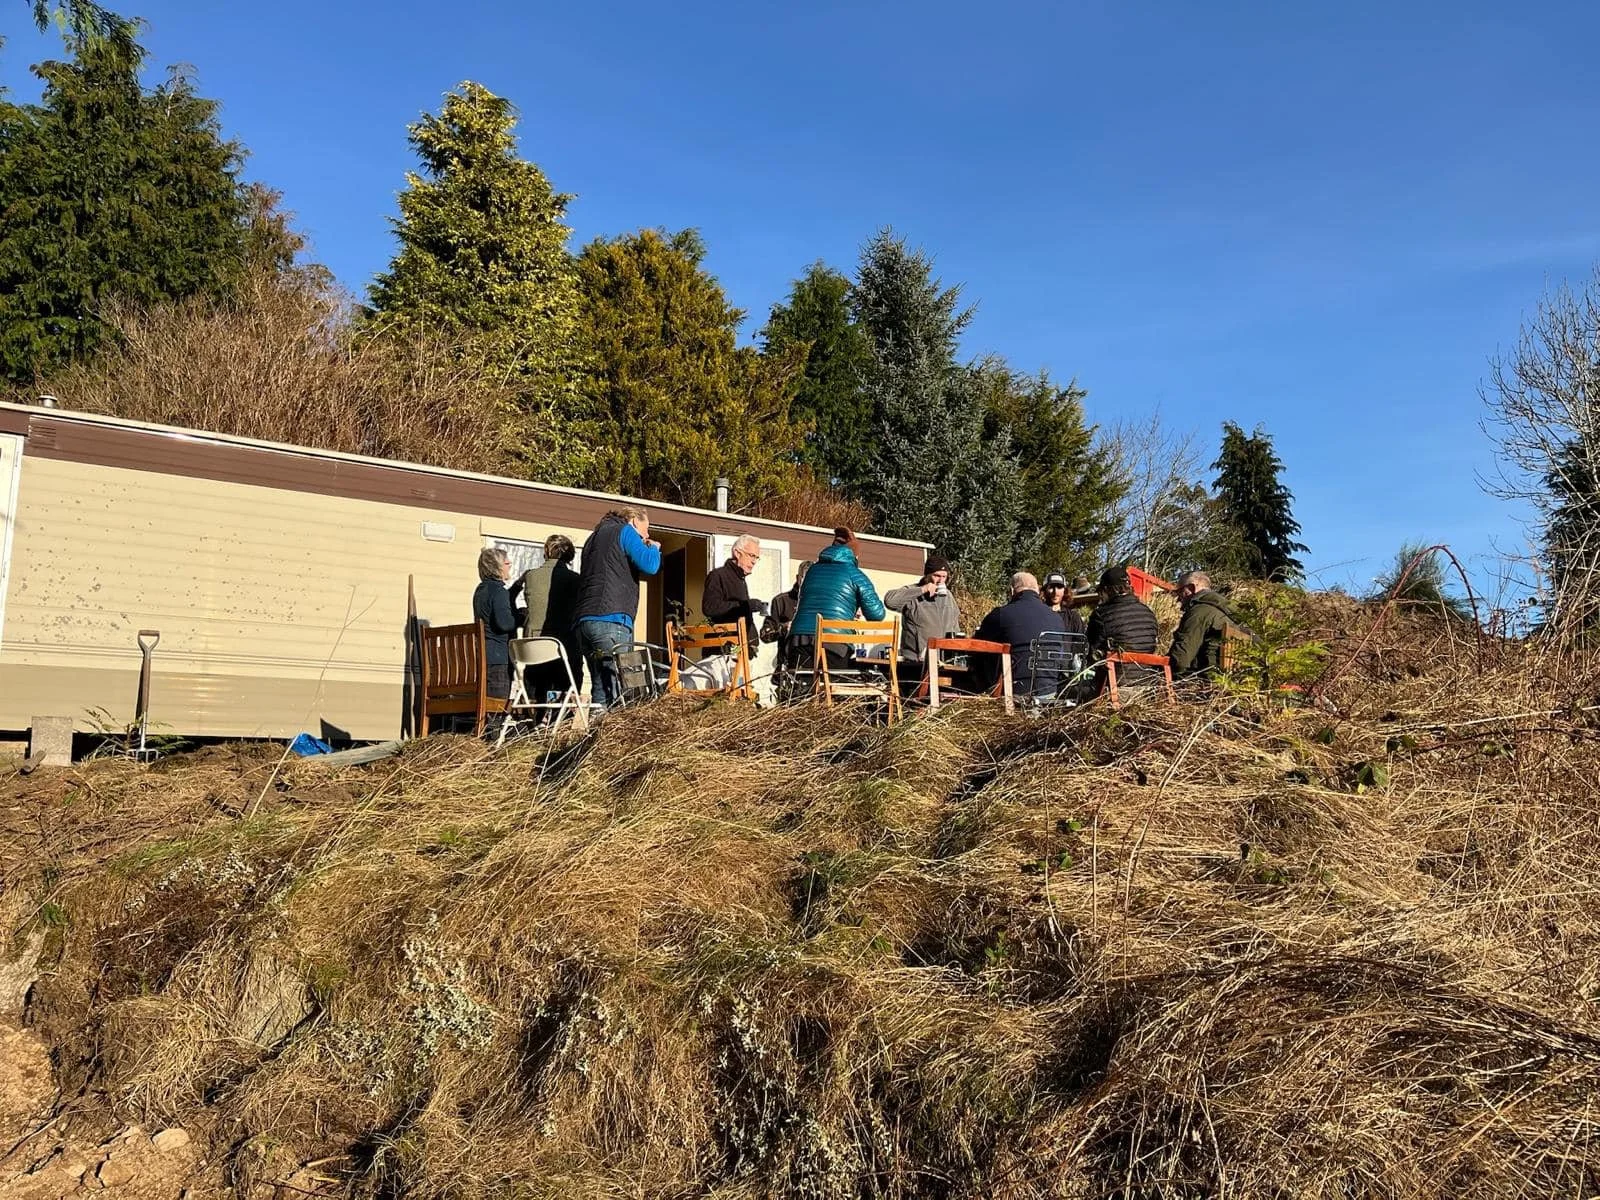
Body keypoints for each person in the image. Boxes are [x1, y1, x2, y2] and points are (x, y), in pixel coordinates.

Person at [574, 506, 661, 708]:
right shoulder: (625, 531)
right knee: (621, 689)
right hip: (611, 620)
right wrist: (654, 548)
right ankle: (612, 728)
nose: (647, 535)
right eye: (646, 529)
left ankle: (596, 725)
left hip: (585, 622)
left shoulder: (592, 539)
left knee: (601, 688)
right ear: (634, 521)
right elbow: (650, 565)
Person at [787, 528, 886, 677]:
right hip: (834, 642)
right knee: (831, 685)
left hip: (799, 638)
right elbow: (877, 614)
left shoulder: (812, 571)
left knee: (802, 685)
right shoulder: (855, 574)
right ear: (854, 555)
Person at [512, 534, 584, 708]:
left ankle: (535, 716)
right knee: (574, 671)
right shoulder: (575, 580)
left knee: (537, 684)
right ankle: (562, 716)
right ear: (570, 555)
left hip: (533, 651)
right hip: (563, 650)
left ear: (546, 551)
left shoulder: (531, 576)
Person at [971, 572, 1066, 698]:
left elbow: (976, 647)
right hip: (1049, 692)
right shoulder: (1057, 619)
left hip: (1013, 692)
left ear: (1012, 591)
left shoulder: (1000, 615)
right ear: (1038, 590)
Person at [883, 554, 961, 665]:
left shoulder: (948, 596)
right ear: (927, 575)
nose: (941, 580)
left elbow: (955, 627)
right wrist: (923, 589)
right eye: (937, 576)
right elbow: (890, 601)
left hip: (943, 661)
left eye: (944, 577)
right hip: (915, 661)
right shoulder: (913, 592)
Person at [703, 534, 768, 650]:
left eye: (757, 558)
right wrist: (745, 605)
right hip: (722, 650)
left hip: (743, 650)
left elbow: (742, 613)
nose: (754, 561)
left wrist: (753, 641)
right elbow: (709, 608)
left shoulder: (740, 579)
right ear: (737, 553)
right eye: (752, 555)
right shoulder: (718, 575)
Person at [471, 547, 519, 703]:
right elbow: (505, 624)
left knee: (484, 705)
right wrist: (521, 617)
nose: (509, 564)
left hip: (483, 655)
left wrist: (516, 587)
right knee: (496, 707)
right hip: (498, 658)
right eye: (506, 562)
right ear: (496, 566)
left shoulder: (481, 590)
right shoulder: (499, 591)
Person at [1168, 570, 1234, 678]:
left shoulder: (1199, 611)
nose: (1178, 599)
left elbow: (1180, 660)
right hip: (1227, 678)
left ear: (1191, 588)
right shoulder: (1227, 612)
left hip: (1206, 677)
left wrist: (1159, 670)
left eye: (1179, 592)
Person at [1085, 565, 1159, 657]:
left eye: (1101, 592)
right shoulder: (1149, 614)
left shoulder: (1101, 615)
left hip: (1116, 665)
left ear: (1107, 590)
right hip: (1148, 665)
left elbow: (1092, 650)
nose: (1101, 596)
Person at [1041, 570, 1086, 635]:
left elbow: (1080, 639)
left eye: (1059, 587)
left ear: (1064, 590)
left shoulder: (1073, 617)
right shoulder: (1038, 615)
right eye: (1051, 587)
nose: (1055, 592)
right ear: (1045, 590)